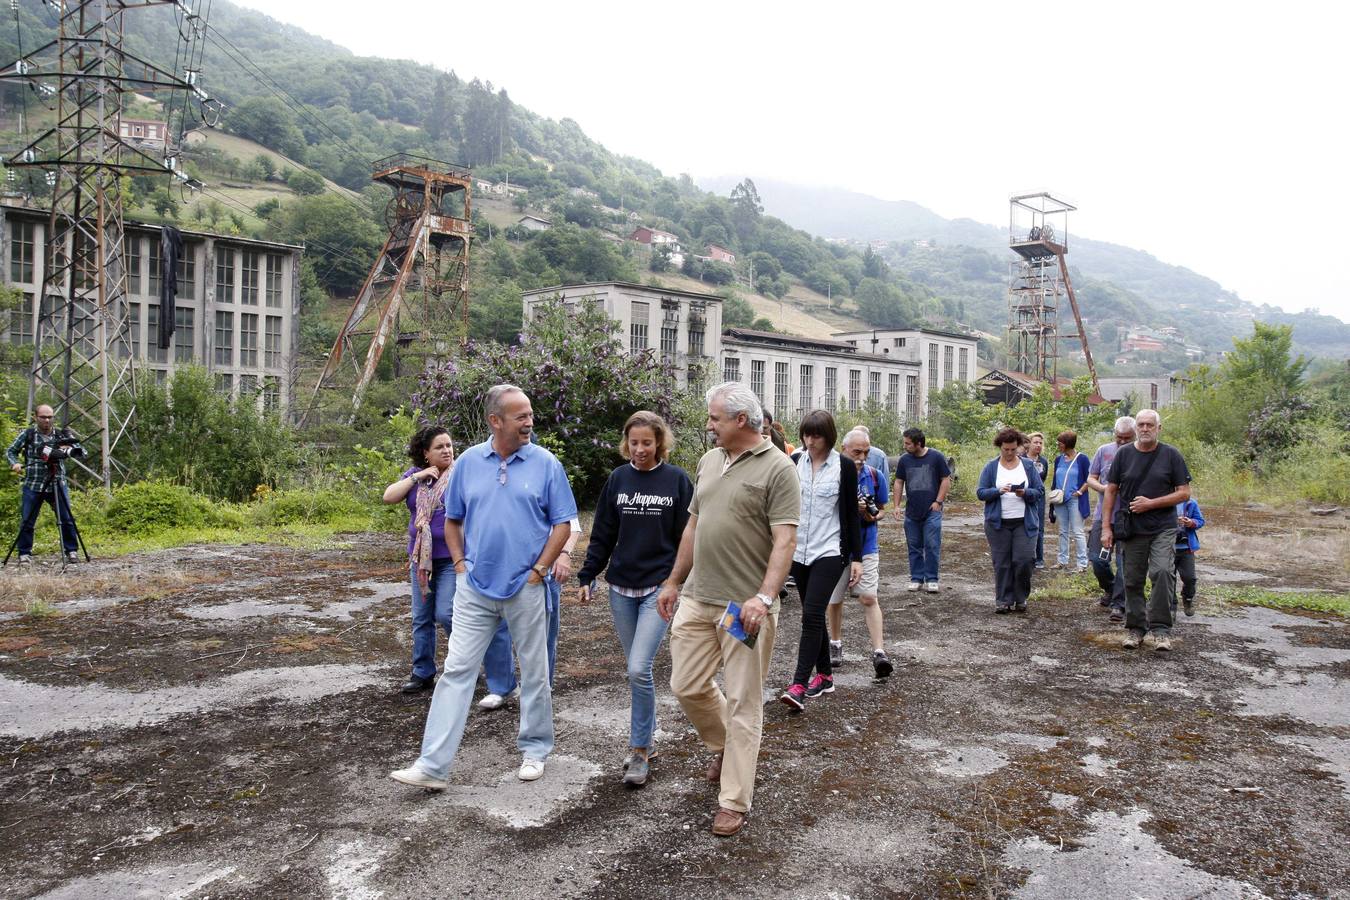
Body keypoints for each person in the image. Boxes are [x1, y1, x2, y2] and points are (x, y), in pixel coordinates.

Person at [390, 384, 577, 789]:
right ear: (496, 421)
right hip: (474, 587)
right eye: (520, 416)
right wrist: (459, 565)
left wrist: (540, 569)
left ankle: (534, 749)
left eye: (530, 414)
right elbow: (453, 519)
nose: (529, 422)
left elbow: (564, 522)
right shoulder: (470, 463)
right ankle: (432, 766)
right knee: (456, 671)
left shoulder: (546, 464)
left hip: (526, 587)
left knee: (534, 671)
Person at [658, 382, 798, 837]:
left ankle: (734, 800)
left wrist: (764, 596)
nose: (709, 425)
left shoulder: (779, 469)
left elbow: (785, 541)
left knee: (744, 702)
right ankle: (726, 745)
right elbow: (693, 527)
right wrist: (674, 580)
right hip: (699, 597)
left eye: (715, 418)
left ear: (741, 420)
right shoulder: (709, 461)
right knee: (686, 685)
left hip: (744, 608)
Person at [577, 411, 693, 788]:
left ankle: (639, 749)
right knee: (635, 669)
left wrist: (679, 581)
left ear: (660, 442)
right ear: (626, 443)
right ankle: (648, 734)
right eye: (634, 442)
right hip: (621, 588)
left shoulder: (677, 481)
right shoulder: (618, 479)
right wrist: (588, 573)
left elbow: (688, 539)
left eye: (647, 442)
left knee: (638, 669)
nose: (639, 449)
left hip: (658, 589)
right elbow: (604, 534)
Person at [780, 411, 862, 711]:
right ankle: (825, 676)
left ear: (829, 436)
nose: (810, 441)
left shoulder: (843, 466)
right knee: (812, 614)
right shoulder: (794, 463)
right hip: (798, 550)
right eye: (806, 434)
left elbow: (851, 514)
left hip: (830, 550)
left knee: (811, 615)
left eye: (817, 435)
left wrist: (857, 557)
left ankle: (799, 684)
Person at [1102, 409, 1192, 653]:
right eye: (1140, 425)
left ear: (1158, 428)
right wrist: (1106, 527)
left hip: (1163, 526)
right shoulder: (1124, 456)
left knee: (1162, 572)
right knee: (1131, 579)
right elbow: (1111, 490)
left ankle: (1161, 630)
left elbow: (1184, 492)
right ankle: (1136, 628)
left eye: (1149, 425)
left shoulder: (1171, 455)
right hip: (1131, 528)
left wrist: (1151, 503)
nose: (1144, 429)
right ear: (1135, 429)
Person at [829, 428, 893, 678]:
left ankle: (879, 651)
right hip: (836, 545)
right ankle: (835, 643)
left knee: (868, 597)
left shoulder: (875, 476)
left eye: (866, 452)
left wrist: (870, 514)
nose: (862, 457)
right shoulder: (833, 474)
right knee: (835, 599)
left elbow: (882, 509)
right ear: (844, 449)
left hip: (867, 545)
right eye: (857, 451)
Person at [976, 428, 1044, 613]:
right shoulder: (991, 467)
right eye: (1006, 449)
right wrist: (997, 491)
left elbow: (1039, 491)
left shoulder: (1028, 466)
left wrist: (1026, 493)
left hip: (1024, 522)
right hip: (998, 523)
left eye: (1013, 449)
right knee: (1002, 562)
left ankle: (1020, 597)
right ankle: (1003, 600)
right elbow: (981, 492)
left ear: (1019, 447)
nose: (1009, 453)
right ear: (1000, 447)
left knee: (1024, 560)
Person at [6, 404, 81, 564]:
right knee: (27, 520)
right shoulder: (28, 434)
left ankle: (72, 551)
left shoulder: (61, 434)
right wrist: (15, 463)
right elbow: (10, 450)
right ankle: (24, 554)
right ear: (36, 417)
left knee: (66, 518)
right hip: (34, 484)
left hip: (57, 481)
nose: (47, 420)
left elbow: (80, 450)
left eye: (50, 417)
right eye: (43, 417)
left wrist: (71, 446)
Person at [1086, 418, 1136, 622]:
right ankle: (1110, 587)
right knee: (1097, 559)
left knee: (1124, 563)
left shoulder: (1140, 454)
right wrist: (1105, 489)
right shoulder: (1104, 450)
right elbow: (1091, 478)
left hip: (1129, 517)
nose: (1123, 442)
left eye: (1127, 438)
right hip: (1103, 514)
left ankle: (1119, 604)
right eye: (1119, 437)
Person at [890, 427, 951, 593]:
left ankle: (932, 578)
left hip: (932, 509)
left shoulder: (936, 457)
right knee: (914, 545)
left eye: (908, 443)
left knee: (932, 544)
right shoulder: (904, 460)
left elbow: (945, 479)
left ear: (918, 443)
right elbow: (898, 482)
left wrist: (938, 501)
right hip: (912, 511)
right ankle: (916, 578)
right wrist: (896, 505)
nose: (905, 446)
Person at [1048, 431, 1090, 571]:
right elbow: (1055, 479)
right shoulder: (1058, 459)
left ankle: (1082, 564)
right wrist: (1052, 500)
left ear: (1067, 444)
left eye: (1060, 443)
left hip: (1075, 499)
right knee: (1062, 531)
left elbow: (1089, 478)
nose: (1058, 445)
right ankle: (1062, 561)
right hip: (1060, 500)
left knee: (1077, 531)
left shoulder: (1082, 459)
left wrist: (1080, 491)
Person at [1174, 496, 1205, 617]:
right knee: (1167, 578)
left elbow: (1200, 521)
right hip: (1166, 547)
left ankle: (1187, 598)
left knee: (1190, 578)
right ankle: (1171, 605)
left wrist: (1191, 522)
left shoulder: (1191, 502)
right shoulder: (1163, 500)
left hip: (1186, 547)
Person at [1024, 432, 1050, 568]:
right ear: (1029, 443)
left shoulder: (1043, 461)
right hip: (1023, 495)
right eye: (1035, 442)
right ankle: (1026, 557)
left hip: (1039, 497)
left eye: (1040, 443)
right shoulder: (1021, 458)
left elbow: (1043, 478)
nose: (1038, 445)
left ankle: (1039, 558)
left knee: (1039, 527)